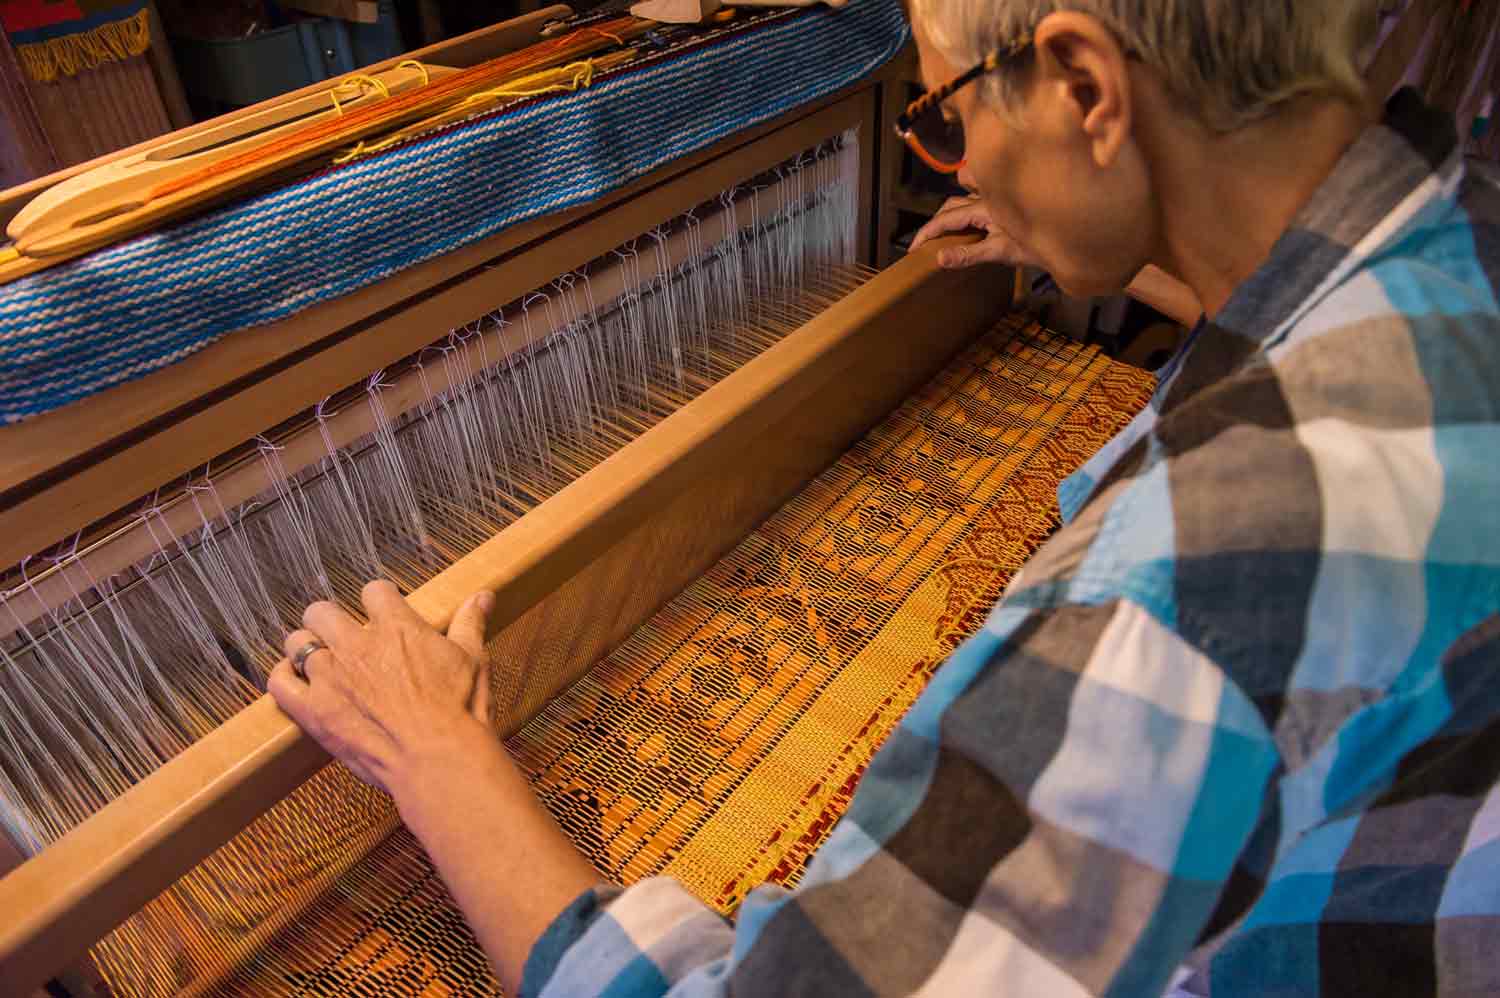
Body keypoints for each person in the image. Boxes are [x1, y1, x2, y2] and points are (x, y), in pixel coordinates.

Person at [268, 0, 1500, 994]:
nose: (947, 162)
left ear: (1083, 90)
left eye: (946, 117)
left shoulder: (1183, 588)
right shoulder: (1461, 235)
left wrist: (433, 755)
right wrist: (1136, 245)